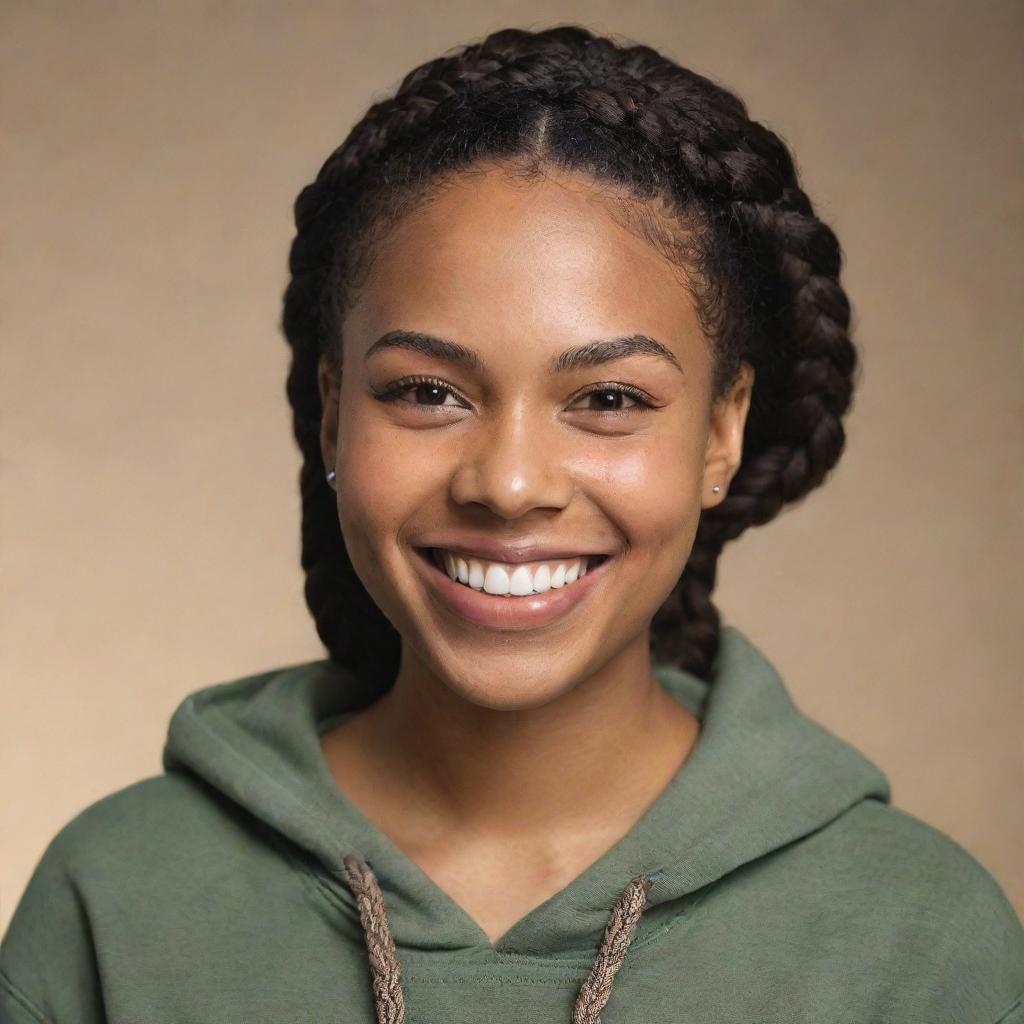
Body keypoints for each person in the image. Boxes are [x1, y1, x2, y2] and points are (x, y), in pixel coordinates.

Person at [2, 23, 1021, 1024]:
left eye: (610, 399)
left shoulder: (919, 936)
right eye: (428, 392)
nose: (510, 482)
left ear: (721, 436)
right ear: (329, 412)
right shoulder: (119, 903)